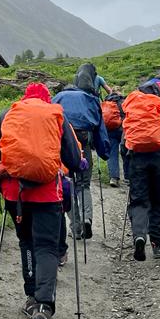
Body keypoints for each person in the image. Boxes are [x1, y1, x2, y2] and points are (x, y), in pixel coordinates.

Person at [0, 82, 83, 319]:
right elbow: (73, 160)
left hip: (14, 195)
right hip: (46, 194)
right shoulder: (55, 114)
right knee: (47, 248)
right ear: (47, 99)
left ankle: (31, 298)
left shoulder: (9, 113)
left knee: (26, 243)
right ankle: (43, 308)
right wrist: (78, 167)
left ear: (25, 98)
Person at [122, 79, 160, 261]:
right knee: (156, 200)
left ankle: (139, 236)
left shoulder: (132, 112)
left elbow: (123, 144)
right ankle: (157, 244)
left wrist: (127, 168)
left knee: (139, 201)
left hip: (137, 161)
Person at [53, 83, 110, 240]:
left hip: (63, 146)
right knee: (83, 184)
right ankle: (87, 218)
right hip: (84, 143)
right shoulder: (89, 98)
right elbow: (100, 127)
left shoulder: (57, 98)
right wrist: (104, 151)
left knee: (67, 184)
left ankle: (76, 228)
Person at [101, 91, 125, 186]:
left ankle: (114, 178)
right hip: (123, 130)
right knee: (125, 152)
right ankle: (128, 177)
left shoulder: (106, 104)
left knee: (112, 154)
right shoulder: (124, 102)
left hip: (110, 130)